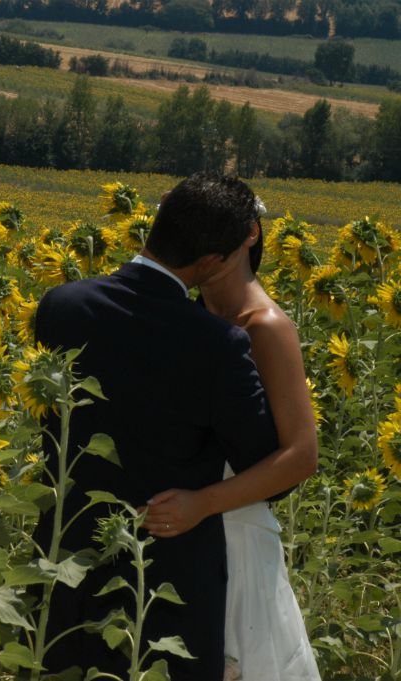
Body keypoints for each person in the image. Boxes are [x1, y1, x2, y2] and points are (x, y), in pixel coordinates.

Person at [32, 172, 315, 680]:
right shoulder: (210, 341)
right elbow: (265, 457)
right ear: (215, 257)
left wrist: (206, 499)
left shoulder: (60, 307)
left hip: (71, 553)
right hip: (168, 565)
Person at [141, 205, 321, 680]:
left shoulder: (265, 326)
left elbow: (302, 455)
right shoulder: (186, 317)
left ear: (250, 236)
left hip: (233, 531)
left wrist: (203, 503)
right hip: (178, 528)